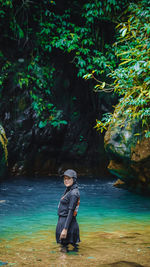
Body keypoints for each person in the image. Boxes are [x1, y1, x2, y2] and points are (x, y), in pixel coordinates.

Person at [56, 169, 80, 251]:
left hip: (68, 224)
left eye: (68, 178)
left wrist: (65, 229)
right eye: (65, 178)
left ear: (74, 179)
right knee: (65, 249)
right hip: (64, 221)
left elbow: (71, 212)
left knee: (63, 251)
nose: (66, 180)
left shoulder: (74, 193)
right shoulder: (69, 190)